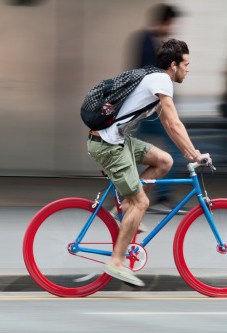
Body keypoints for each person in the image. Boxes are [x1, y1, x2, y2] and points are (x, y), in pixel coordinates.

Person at [86, 39, 211, 287]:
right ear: (174, 65)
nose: (188, 69)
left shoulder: (154, 78)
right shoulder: (161, 80)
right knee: (141, 202)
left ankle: (122, 210)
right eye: (186, 64)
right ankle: (117, 262)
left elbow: (169, 124)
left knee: (164, 161)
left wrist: (189, 151)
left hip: (117, 141)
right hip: (108, 145)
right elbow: (175, 123)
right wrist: (196, 156)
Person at [131, 4, 185, 213]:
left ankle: (135, 195)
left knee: (149, 151)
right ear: (165, 22)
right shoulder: (146, 41)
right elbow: (142, 74)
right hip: (149, 107)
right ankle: (157, 197)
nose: (173, 27)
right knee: (172, 149)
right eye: (172, 23)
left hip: (156, 106)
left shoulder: (161, 42)